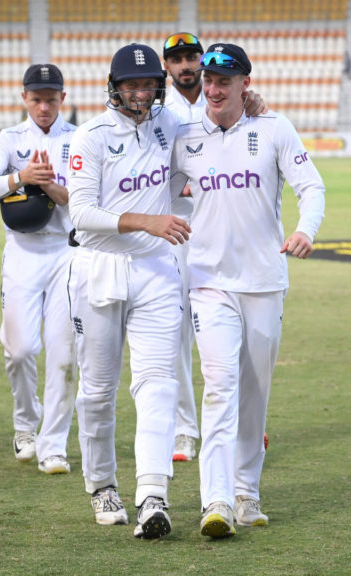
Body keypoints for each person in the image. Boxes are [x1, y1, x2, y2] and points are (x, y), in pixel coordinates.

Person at [68, 43, 267, 539]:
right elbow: (81, 214)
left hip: (156, 269)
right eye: (131, 85)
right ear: (114, 88)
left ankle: (152, 495)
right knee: (97, 391)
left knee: (159, 382)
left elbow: (216, 125)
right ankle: (101, 484)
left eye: (149, 85)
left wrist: (252, 106)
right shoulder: (90, 137)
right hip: (99, 267)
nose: (141, 94)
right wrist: (147, 220)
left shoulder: (170, 124)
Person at [170, 44, 325, 538]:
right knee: (219, 387)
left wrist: (306, 230)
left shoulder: (274, 128)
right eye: (208, 80)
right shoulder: (184, 136)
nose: (213, 89)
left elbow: (311, 187)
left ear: (245, 84)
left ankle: (246, 493)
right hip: (209, 283)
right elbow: (154, 185)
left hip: (263, 282)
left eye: (224, 81)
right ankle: (214, 500)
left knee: (254, 393)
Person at [0, 63, 77, 475]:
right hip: (22, 250)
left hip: (67, 252)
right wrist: (21, 176)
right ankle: (25, 422)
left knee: (64, 353)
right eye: (36, 99)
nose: (44, 107)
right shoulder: (9, 139)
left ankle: (54, 445)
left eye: (51, 99)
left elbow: (82, 198)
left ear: (62, 99)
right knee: (19, 350)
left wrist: (49, 185)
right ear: (24, 98)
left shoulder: (79, 138)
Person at [162, 32, 206, 462]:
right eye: (177, 59)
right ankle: (183, 430)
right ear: (167, 66)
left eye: (191, 56)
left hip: (219, 226)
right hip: (175, 228)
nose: (185, 65)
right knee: (175, 329)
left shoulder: (224, 99)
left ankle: (237, 422)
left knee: (228, 327)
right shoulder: (159, 111)